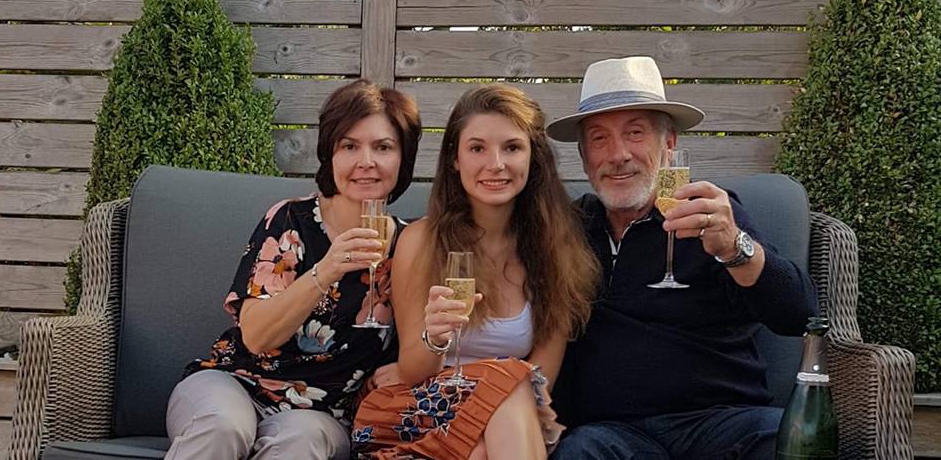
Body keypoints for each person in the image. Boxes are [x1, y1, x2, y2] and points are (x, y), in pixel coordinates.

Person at [546, 57, 819, 460]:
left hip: (720, 424)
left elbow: (800, 315)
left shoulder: (712, 214)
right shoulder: (568, 229)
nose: (618, 154)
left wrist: (736, 248)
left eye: (635, 133)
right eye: (599, 139)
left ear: (669, 144)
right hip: (612, 435)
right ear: (585, 159)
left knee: (783, 441)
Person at [164, 79, 422, 460]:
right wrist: (327, 270)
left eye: (383, 147)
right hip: (234, 384)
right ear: (330, 155)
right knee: (223, 426)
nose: (366, 161)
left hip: (322, 414)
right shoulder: (290, 221)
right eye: (349, 146)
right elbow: (255, 336)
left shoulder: (410, 245)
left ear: (403, 158)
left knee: (301, 442)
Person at [352, 84, 600, 460]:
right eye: (477, 148)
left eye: (512, 148)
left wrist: (486, 426)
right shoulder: (422, 241)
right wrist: (435, 337)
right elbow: (413, 370)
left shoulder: (556, 247)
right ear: (455, 158)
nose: (495, 164)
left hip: (509, 416)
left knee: (509, 402)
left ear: (533, 157)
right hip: (419, 410)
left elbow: (541, 379)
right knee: (512, 385)